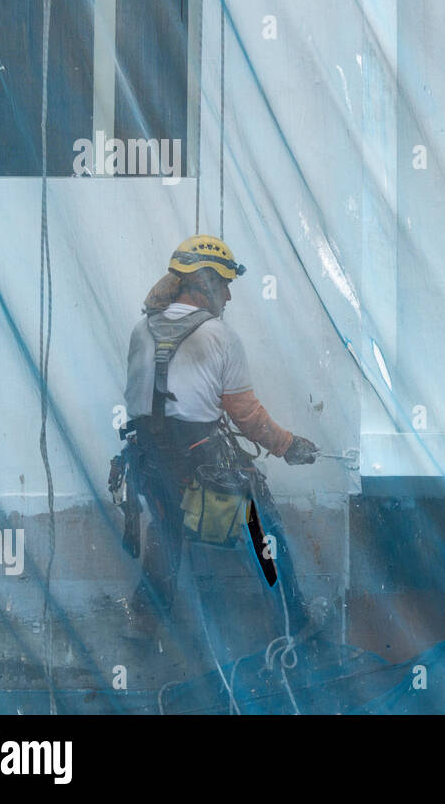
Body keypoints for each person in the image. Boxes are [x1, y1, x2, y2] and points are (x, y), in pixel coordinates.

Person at [120, 234, 323, 641]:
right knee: (265, 528)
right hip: (201, 463)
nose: (229, 296)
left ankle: (142, 625)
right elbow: (245, 415)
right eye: (226, 284)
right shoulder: (219, 335)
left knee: (167, 529)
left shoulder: (141, 330)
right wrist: (289, 446)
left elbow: (138, 401)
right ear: (206, 282)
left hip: (147, 461)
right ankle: (293, 621)